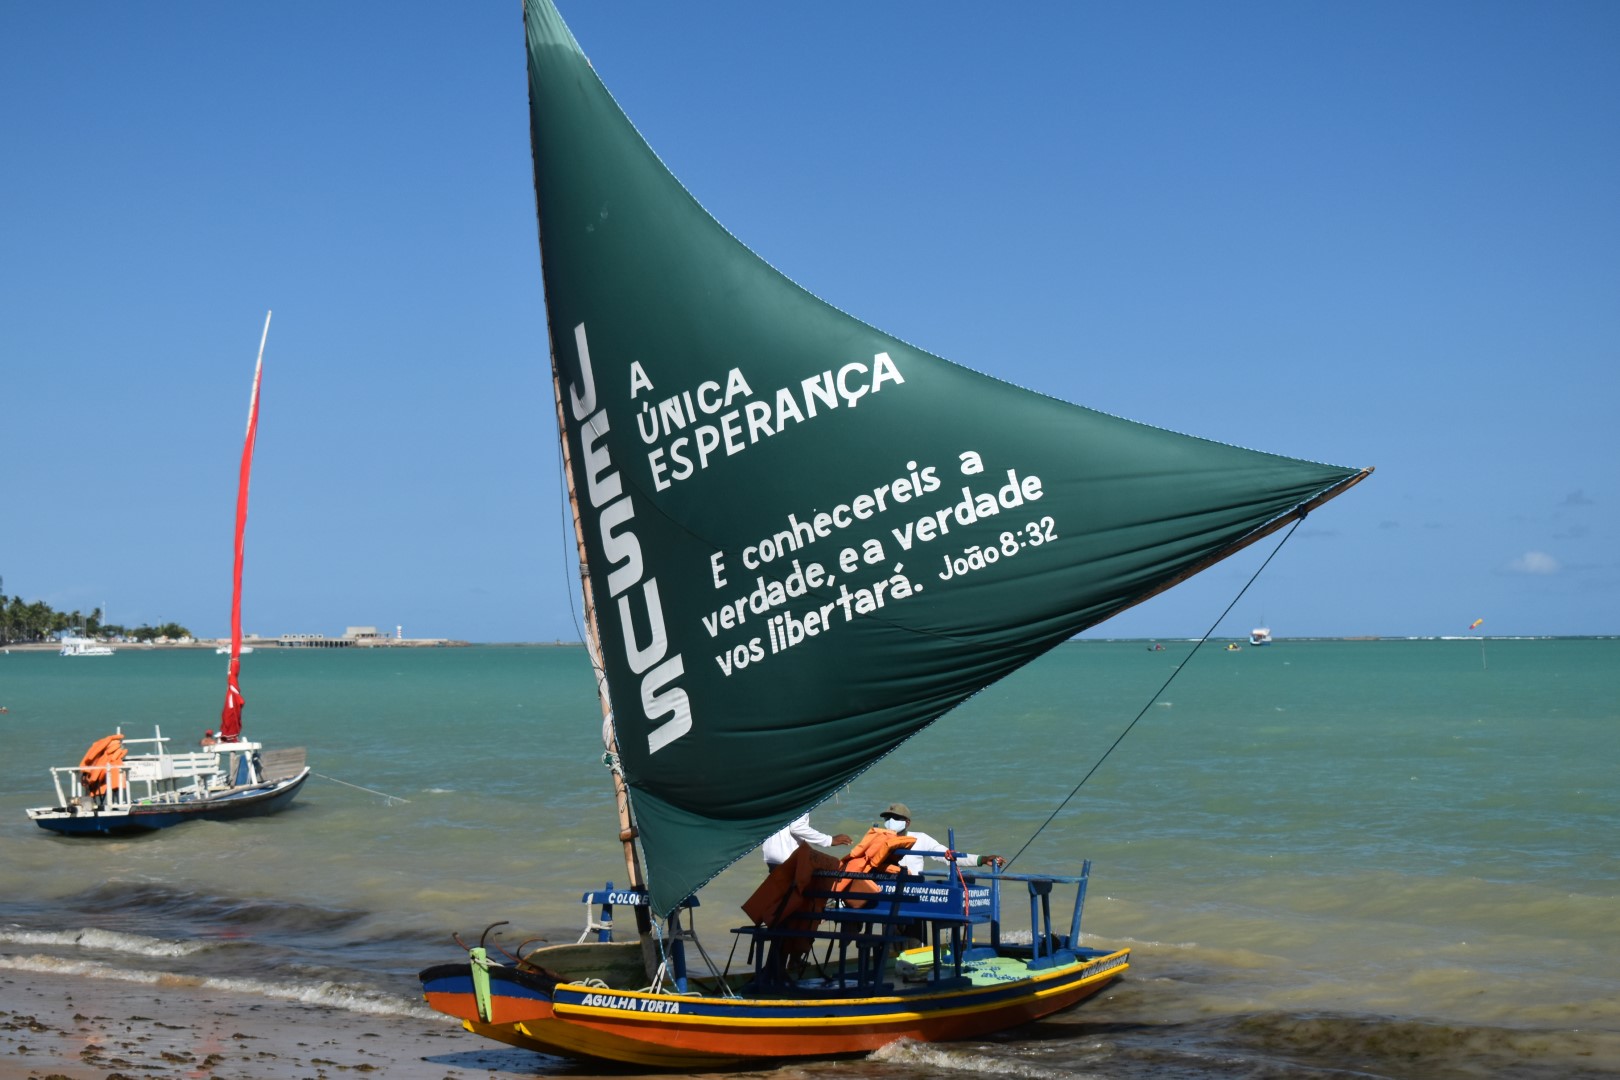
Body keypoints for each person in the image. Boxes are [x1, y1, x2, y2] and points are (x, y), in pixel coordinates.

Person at [876, 802, 1003, 874]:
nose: (891, 821)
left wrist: (982, 859)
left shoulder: (920, 839)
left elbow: (948, 856)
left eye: (896, 818)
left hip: (912, 889)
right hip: (885, 889)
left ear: (907, 822)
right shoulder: (877, 839)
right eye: (887, 818)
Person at [761, 813, 853, 869]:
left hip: (771, 854)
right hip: (787, 856)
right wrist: (830, 840)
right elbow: (797, 827)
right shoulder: (803, 795)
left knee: (781, 895)